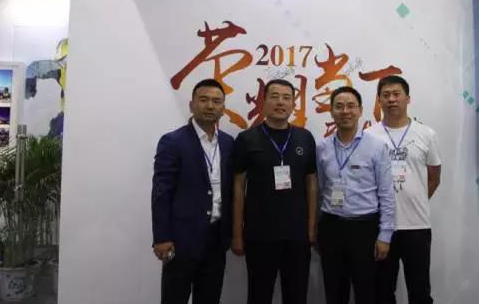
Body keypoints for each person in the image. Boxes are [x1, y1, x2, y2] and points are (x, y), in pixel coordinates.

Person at [231, 79, 318, 304]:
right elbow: (238, 187)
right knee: (259, 295)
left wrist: (311, 227)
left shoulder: (305, 137)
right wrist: (237, 233)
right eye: (275, 96)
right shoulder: (246, 139)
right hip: (259, 234)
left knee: (297, 296)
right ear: (263, 101)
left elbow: (311, 183)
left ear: (293, 104)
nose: (280, 102)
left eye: (286, 98)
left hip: (297, 234)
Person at [151, 79, 234, 304]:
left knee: (209, 298)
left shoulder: (228, 143)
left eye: (216, 101)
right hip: (181, 240)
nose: (210, 106)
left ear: (223, 108)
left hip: (216, 239)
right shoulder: (173, 142)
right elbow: (161, 192)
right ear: (191, 105)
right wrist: (161, 237)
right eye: (203, 100)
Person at [366, 75, 442, 304]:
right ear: (379, 100)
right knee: (381, 292)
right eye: (386, 95)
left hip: (416, 226)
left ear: (408, 98)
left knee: (420, 292)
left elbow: (434, 178)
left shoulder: (426, 134)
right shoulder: (369, 136)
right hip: (381, 227)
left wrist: (414, 198)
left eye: (396, 94)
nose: (391, 99)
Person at [316, 86, 395, 304]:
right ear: (331, 111)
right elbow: (320, 189)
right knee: (334, 292)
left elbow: (386, 194)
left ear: (360, 110)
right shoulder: (322, 148)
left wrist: (385, 236)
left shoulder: (376, 147)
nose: (345, 111)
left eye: (351, 106)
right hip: (331, 227)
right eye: (339, 106)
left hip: (365, 229)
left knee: (367, 292)